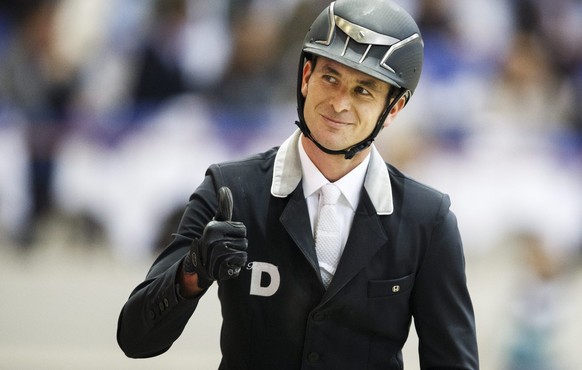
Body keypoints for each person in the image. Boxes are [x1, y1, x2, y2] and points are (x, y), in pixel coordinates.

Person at [117, 0, 479, 368]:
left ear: (394, 109)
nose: (339, 103)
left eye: (363, 91)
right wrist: (192, 270)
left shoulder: (427, 220)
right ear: (306, 76)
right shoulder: (229, 190)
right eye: (330, 78)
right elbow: (135, 339)